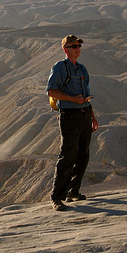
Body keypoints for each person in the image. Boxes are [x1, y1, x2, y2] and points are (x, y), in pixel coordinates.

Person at [46, 35, 99, 211]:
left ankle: (73, 191)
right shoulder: (60, 68)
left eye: (79, 46)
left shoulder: (82, 69)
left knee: (83, 154)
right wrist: (72, 100)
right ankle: (56, 197)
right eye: (74, 46)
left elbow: (86, 94)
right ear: (65, 49)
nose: (77, 48)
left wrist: (92, 115)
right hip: (69, 115)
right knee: (67, 155)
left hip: (84, 114)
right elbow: (51, 91)